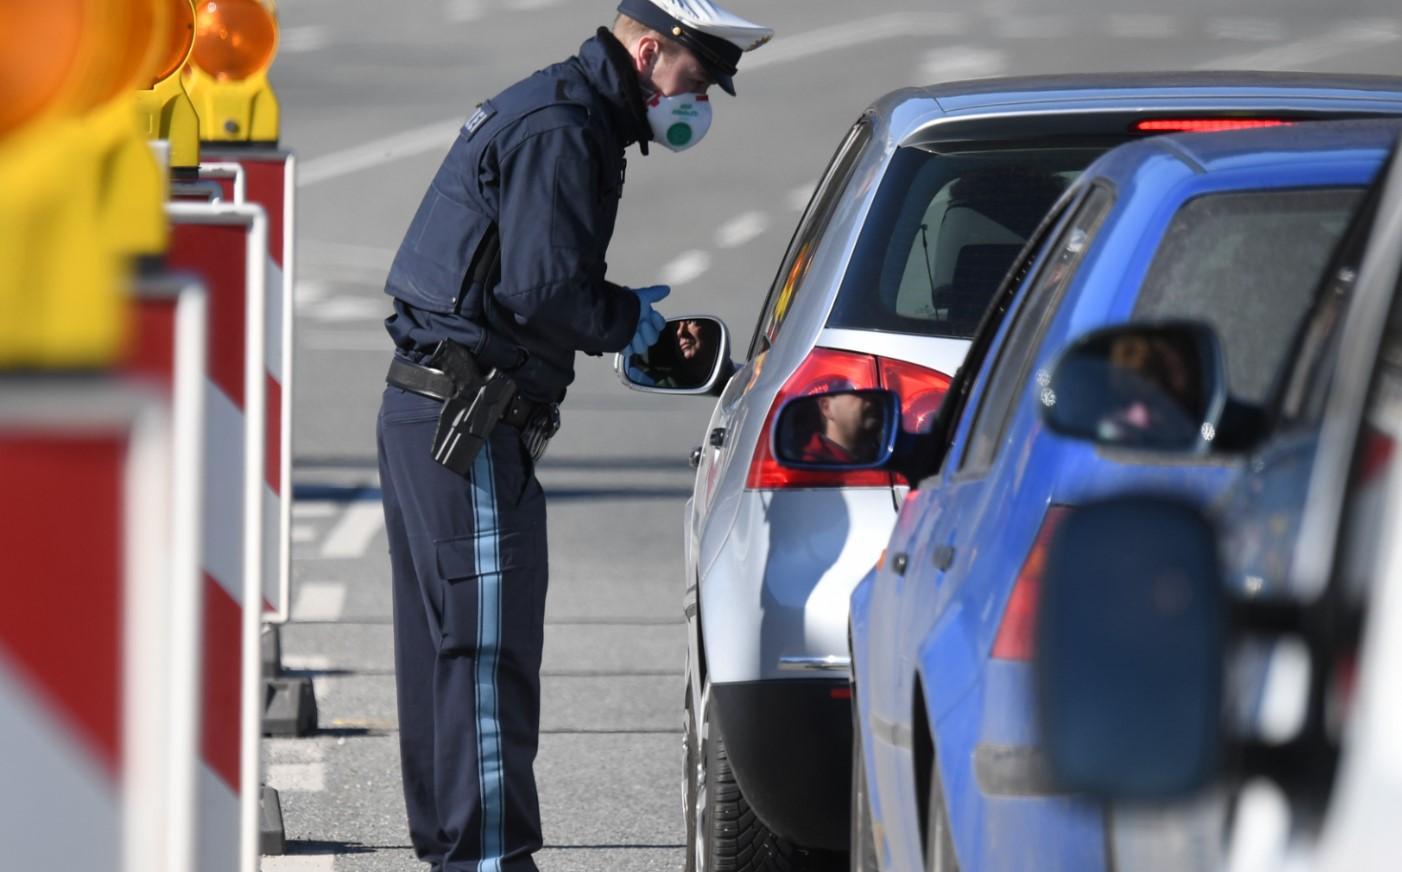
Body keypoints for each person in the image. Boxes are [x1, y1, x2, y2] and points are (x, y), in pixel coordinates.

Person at [374, 3, 772, 871]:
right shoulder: (565, 126)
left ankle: (459, 853)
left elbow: (534, 275)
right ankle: (486, 861)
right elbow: (544, 286)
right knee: (484, 658)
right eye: (697, 77)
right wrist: (625, 318)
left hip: (441, 409)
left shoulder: (569, 109)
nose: (698, 99)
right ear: (651, 47)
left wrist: (615, 316)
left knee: (450, 656)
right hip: (467, 420)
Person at [625, 317, 720, 387]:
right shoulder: (665, 384)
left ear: (713, 330)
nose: (680, 332)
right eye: (676, 328)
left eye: (690, 322)